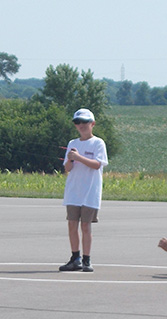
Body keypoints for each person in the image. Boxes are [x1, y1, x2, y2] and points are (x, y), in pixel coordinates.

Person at [59, 108, 108, 272]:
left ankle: (87, 259)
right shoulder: (73, 143)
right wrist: (70, 160)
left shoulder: (98, 143)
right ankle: (75, 257)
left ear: (92, 124)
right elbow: (67, 168)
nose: (81, 125)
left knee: (86, 226)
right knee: (72, 224)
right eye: (77, 122)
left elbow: (97, 165)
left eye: (84, 122)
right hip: (74, 191)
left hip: (90, 192)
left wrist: (79, 157)